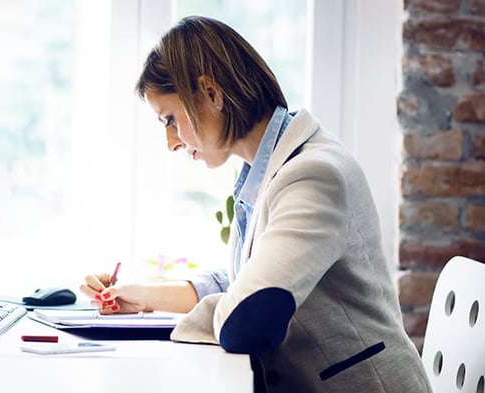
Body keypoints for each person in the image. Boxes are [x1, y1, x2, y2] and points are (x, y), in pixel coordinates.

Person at [80, 16, 431, 392]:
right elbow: (242, 281)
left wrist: (198, 317)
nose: (171, 142)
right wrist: (142, 295)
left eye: (170, 119)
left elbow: (249, 319)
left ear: (212, 94)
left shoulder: (312, 176)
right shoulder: (265, 170)